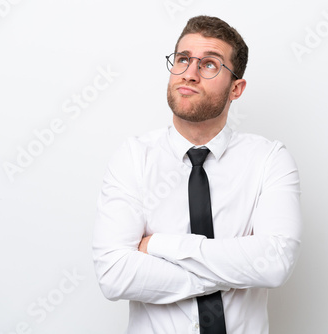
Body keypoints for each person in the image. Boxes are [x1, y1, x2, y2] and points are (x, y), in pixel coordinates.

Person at [93, 15, 302, 334]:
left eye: (209, 64)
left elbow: (274, 264)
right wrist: (235, 267)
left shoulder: (269, 160)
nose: (190, 74)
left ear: (236, 88)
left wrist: (160, 246)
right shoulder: (134, 157)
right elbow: (114, 275)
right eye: (183, 59)